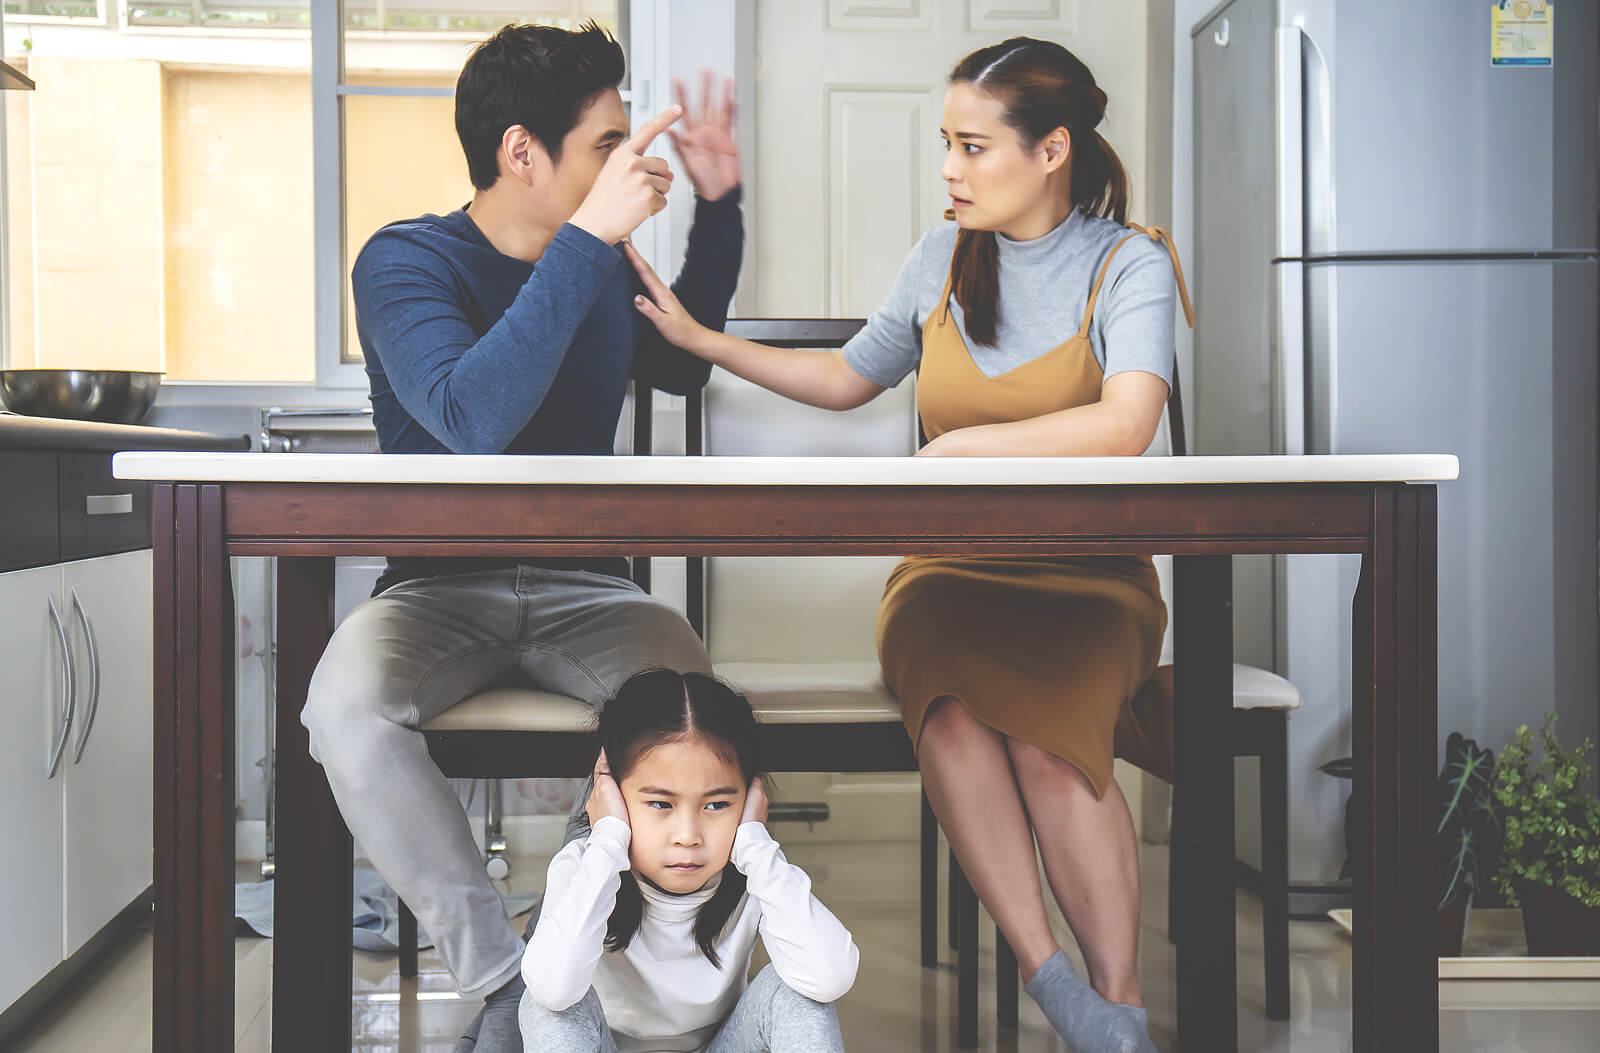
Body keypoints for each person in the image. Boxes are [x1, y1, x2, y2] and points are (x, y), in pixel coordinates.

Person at [623, 36, 1193, 1053]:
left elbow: (1127, 423)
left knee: (1050, 747)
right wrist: (705, 343)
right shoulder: (939, 260)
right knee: (954, 717)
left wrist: (968, 443)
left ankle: (1122, 1007)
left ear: (1052, 149)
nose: (949, 168)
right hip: (946, 576)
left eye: (973, 146)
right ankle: (1054, 981)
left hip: (1091, 581)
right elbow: (849, 378)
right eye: (946, 143)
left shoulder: (1127, 263)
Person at [299, 21, 745, 1053]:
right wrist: (588, 242)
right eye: (606, 143)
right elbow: (471, 418)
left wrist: (718, 208)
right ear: (520, 152)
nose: (629, 163)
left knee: (692, 718)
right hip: (432, 594)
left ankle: (588, 954)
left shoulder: (593, 261)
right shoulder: (406, 261)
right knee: (341, 711)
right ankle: (506, 980)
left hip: (593, 590)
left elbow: (681, 364)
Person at [520, 669, 858, 1052]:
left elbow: (831, 977)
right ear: (610, 791)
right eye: (660, 804)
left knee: (800, 996)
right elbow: (552, 988)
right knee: (547, 1005)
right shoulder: (583, 866)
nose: (688, 836)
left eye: (717, 805)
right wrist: (608, 839)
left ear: (749, 800)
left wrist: (755, 847)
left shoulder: (757, 874)